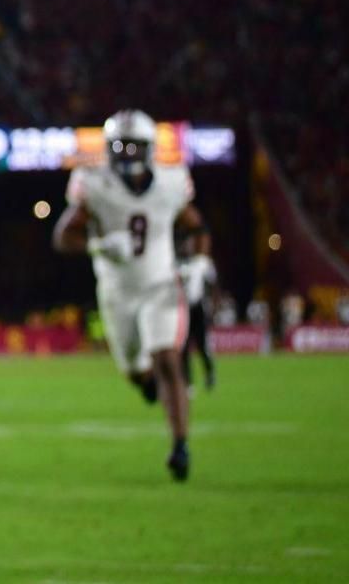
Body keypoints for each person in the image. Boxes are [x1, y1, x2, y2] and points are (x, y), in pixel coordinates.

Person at [54, 109, 204, 482]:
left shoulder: (172, 183)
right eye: (119, 146)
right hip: (117, 293)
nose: (127, 154)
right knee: (137, 373)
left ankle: (180, 446)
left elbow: (197, 227)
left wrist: (199, 261)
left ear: (150, 148)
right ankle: (150, 385)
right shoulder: (94, 183)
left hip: (160, 285)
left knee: (167, 358)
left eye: (134, 146)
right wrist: (99, 244)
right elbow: (62, 236)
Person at [178, 246, 217, 392]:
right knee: (184, 347)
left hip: (198, 308)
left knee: (202, 345)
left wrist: (214, 303)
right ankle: (188, 382)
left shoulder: (202, 262)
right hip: (183, 309)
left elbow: (212, 284)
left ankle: (209, 373)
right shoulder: (175, 263)